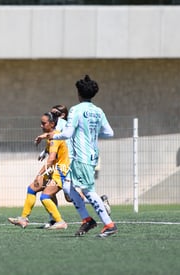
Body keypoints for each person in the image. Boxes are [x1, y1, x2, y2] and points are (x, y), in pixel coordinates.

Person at [37, 75, 117, 238]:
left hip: (81, 156)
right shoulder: (98, 111)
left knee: (88, 191)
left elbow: (67, 133)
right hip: (91, 155)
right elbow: (109, 132)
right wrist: (91, 131)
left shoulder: (76, 110)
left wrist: (53, 136)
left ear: (79, 93)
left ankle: (109, 224)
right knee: (67, 187)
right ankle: (87, 220)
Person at [8, 112, 70, 230]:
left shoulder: (54, 139)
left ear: (52, 124)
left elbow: (51, 159)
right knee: (32, 188)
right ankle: (23, 219)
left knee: (45, 196)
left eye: (43, 123)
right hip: (53, 170)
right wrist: (43, 137)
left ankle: (60, 222)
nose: (41, 126)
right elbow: (50, 137)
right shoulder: (52, 136)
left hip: (60, 171)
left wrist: (39, 173)